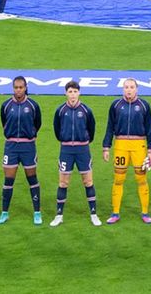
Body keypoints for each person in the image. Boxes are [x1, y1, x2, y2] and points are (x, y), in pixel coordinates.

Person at [102, 78, 151, 224]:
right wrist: (106, 146)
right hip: (120, 145)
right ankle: (115, 213)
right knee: (119, 179)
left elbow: (150, 128)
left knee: (141, 179)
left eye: (132, 87)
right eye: (126, 87)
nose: (129, 90)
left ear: (136, 89)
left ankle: (145, 213)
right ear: (123, 89)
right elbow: (110, 127)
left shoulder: (144, 106)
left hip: (139, 145)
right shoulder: (115, 105)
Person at [51, 81, 102, 227]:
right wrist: (65, 139)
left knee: (88, 181)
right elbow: (57, 129)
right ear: (65, 93)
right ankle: (59, 215)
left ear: (79, 92)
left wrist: (84, 141)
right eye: (70, 92)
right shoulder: (60, 111)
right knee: (63, 182)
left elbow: (91, 129)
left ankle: (94, 214)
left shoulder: (86, 110)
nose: (72, 94)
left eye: (75, 91)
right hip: (66, 150)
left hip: (83, 150)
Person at [0, 76, 43, 225]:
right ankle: (4, 213)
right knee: (8, 180)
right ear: (13, 88)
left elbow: (38, 123)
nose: (18, 90)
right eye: (16, 87)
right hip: (11, 147)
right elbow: (4, 123)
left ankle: (37, 212)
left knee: (32, 179)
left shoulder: (33, 105)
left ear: (25, 87)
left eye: (21, 87)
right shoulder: (5, 105)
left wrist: (29, 135)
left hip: (28, 146)